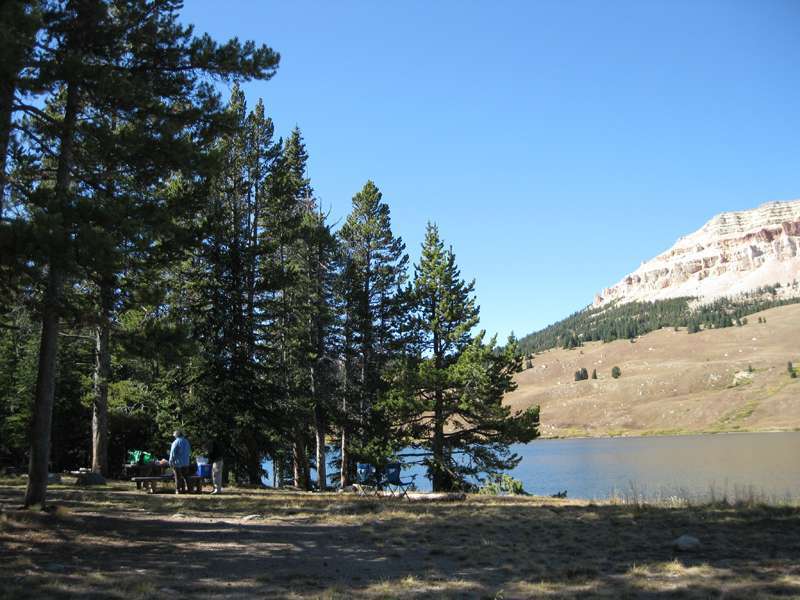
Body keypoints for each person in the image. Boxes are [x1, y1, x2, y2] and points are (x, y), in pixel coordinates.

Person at [169, 429, 192, 494]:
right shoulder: (187, 441)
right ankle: (190, 489)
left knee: (178, 477)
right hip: (186, 462)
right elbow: (189, 452)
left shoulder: (175, 442)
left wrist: (170, 462)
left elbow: (172, 453)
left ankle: (178, 490)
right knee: (186, 477)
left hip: (177, 463)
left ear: (176, 435)